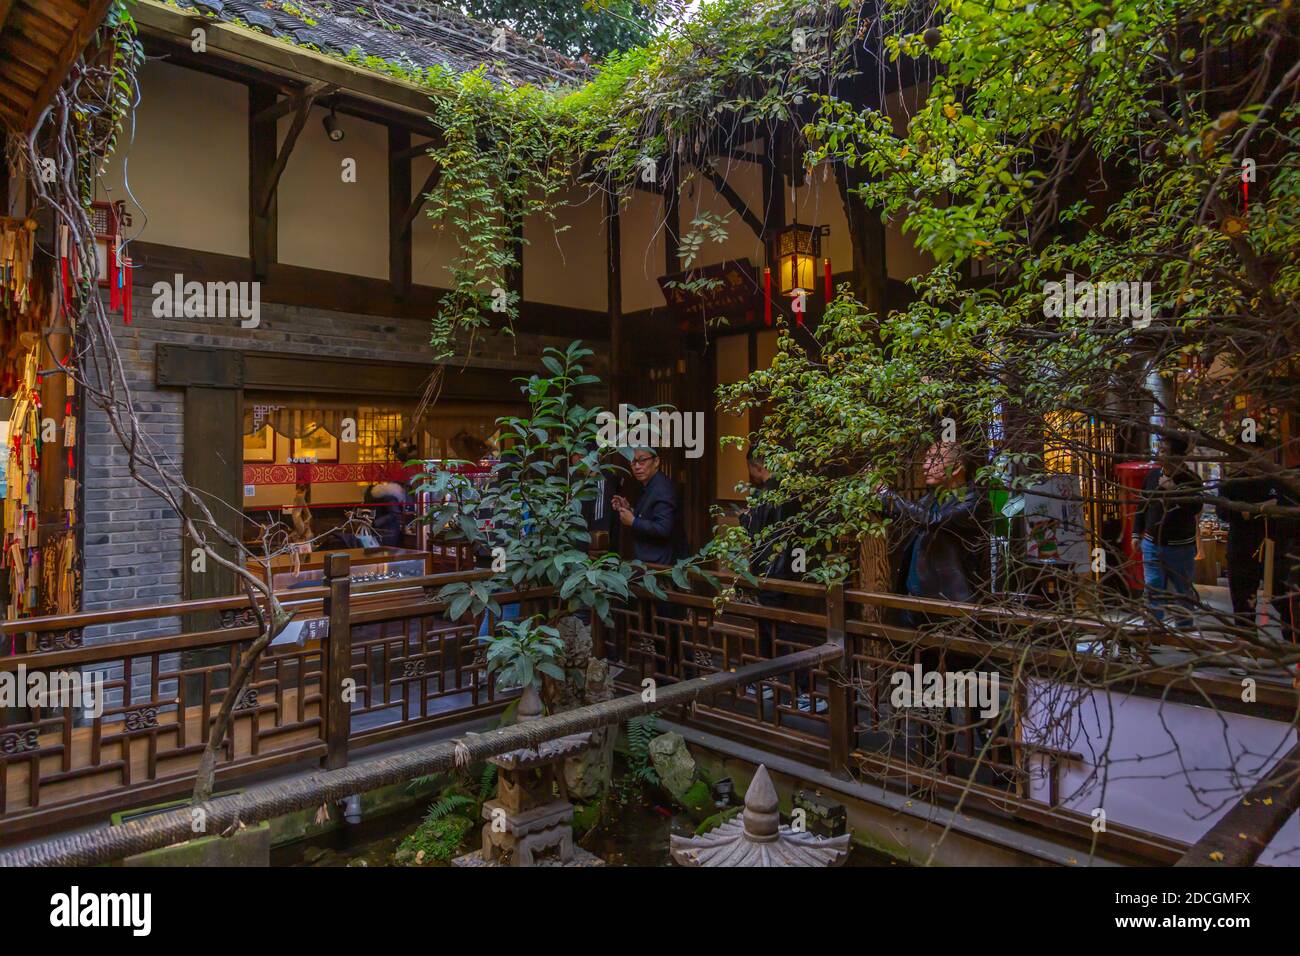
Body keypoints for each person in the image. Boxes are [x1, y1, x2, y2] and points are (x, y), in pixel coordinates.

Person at [879, 441, 992, 624]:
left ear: (956, 468)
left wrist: (886, 495)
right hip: (915, 600)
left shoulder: (974, 503)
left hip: (949, 605)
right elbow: (909, 515)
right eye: (926, 459)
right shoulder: (933, 497)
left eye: (934, 460)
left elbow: (933, 520)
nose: (925, 466)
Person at [1133, 435, 1203, 627]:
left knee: (1182, 591)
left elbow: (1195, 509)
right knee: (1153, 586)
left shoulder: (1191, 480)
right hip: (1151, 543)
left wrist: (1175, 494)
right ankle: (1153, 629)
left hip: (1180, 547)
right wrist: (1135, 533)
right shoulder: (1153, 476)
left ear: (1179, 457)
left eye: (1164, 451)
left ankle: (1185, 628)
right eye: (1159, 449)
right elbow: (1142, 506)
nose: (1159, 454)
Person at [611, 448, 678, 565]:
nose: (637, 467)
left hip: (661, 564)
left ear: (656, 462)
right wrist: (629, 510)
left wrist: (633, 521)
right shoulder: (650, 484)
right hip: (650, 560)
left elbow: (663, 528)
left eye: (642, 461)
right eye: (633, 462)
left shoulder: (662, 488)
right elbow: (650, 515)